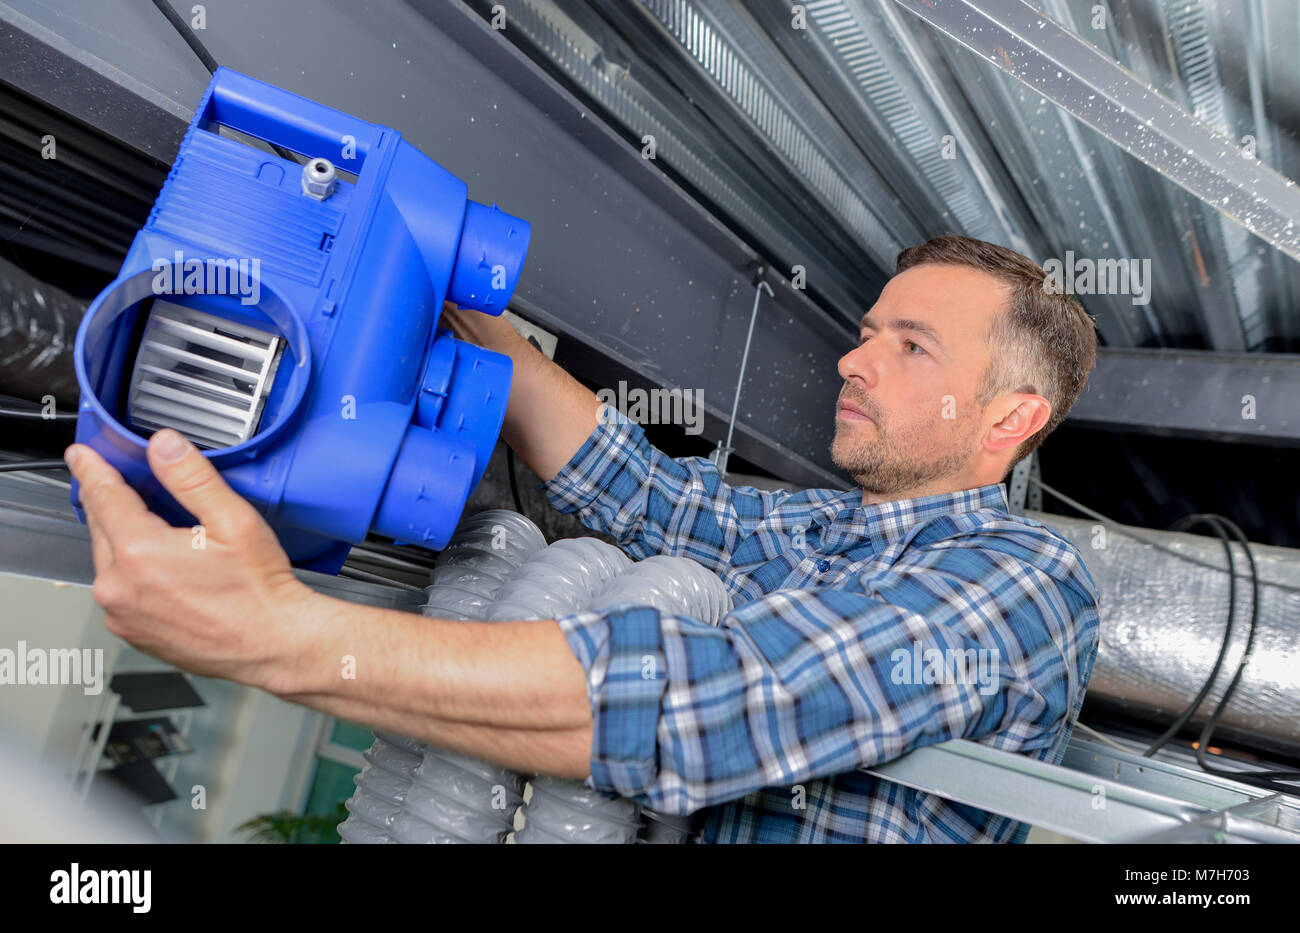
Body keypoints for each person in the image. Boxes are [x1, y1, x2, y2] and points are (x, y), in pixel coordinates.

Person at [65, 234, 1100, 843]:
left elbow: (704, 707)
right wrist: (444, 282)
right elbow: (642, 491)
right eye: (867, 330)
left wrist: (273, 632)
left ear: (1007, 420)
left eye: (908, 346)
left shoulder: (1022, 583)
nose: (852, 361)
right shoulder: (823, 526)